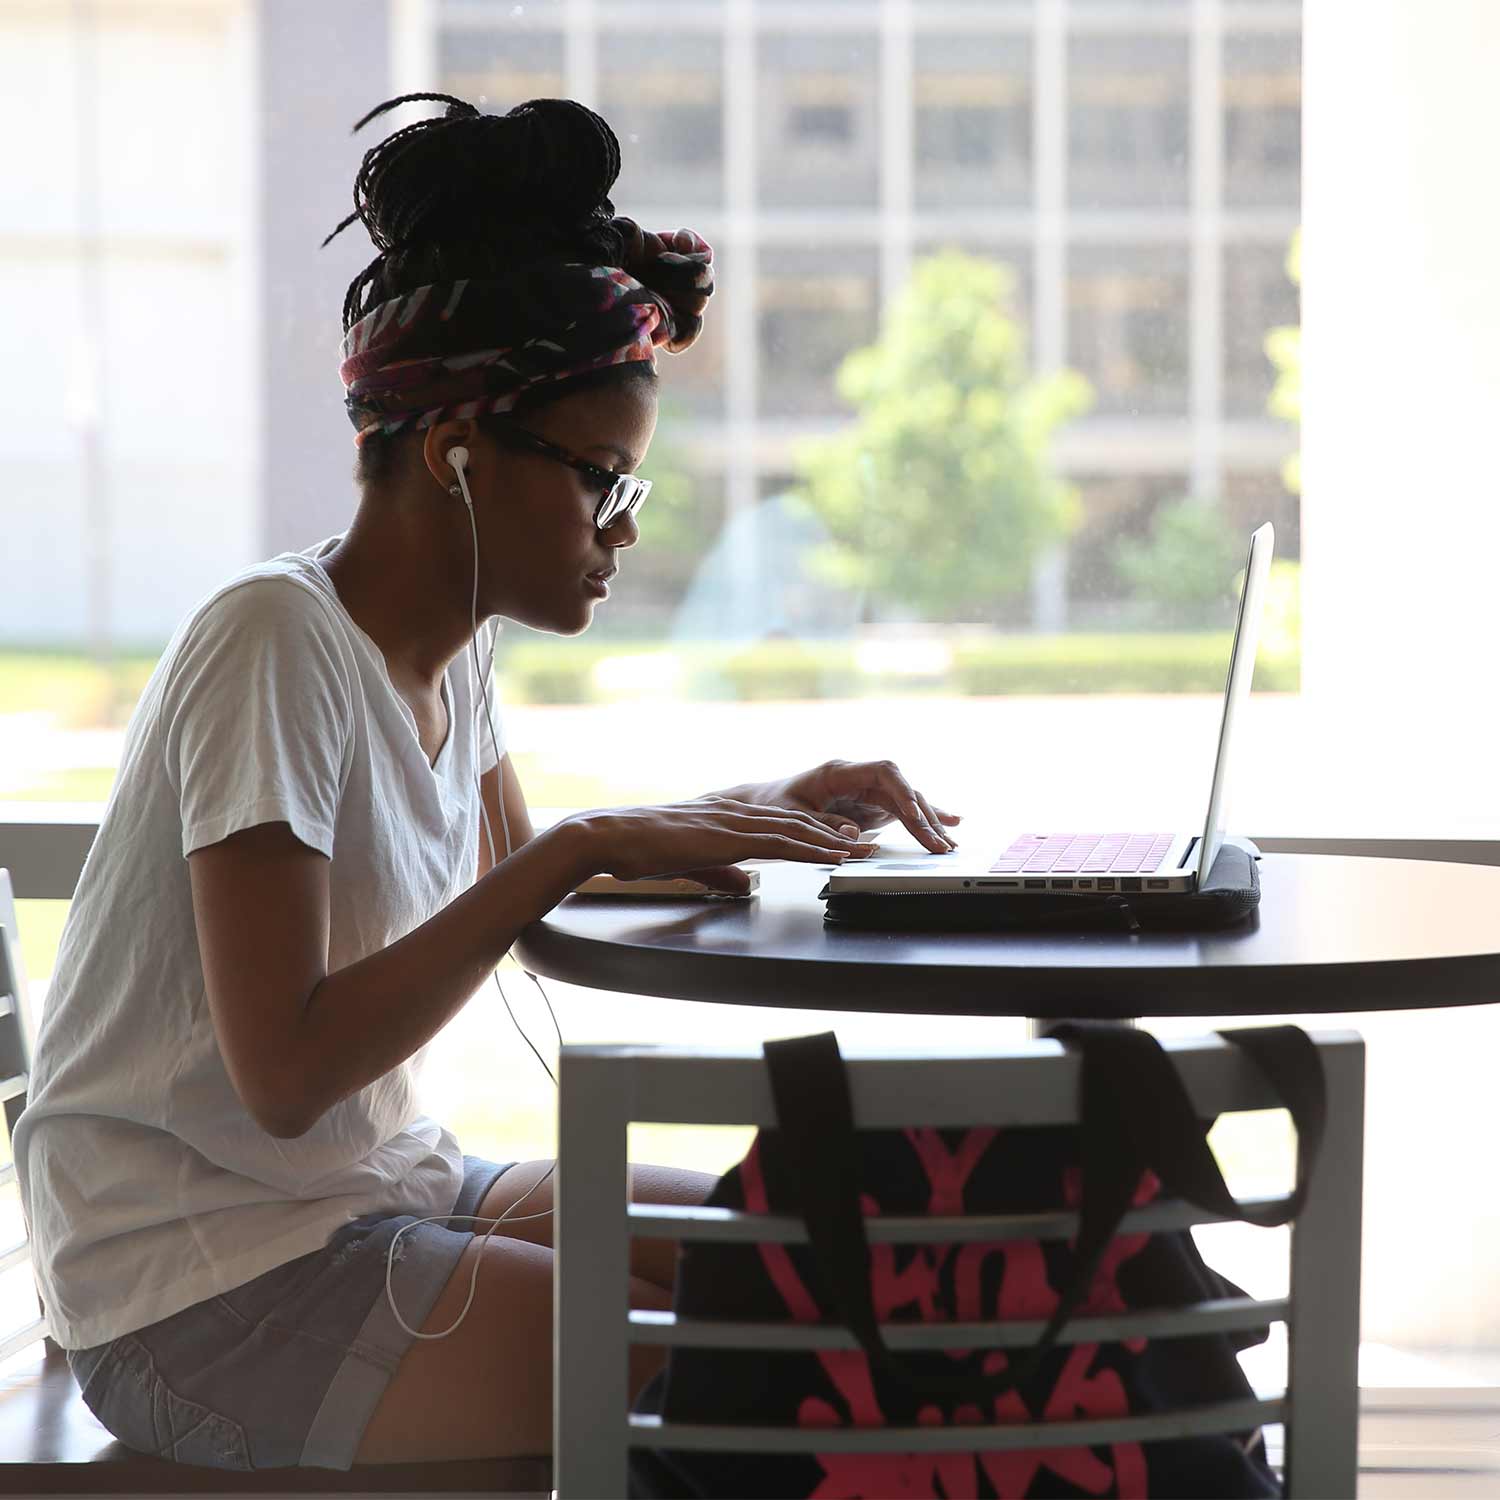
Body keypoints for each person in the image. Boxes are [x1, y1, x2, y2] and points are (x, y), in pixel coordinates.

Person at [13, 93, 960, 1473]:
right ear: (457, 450)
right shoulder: (273, 642)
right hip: (199, 1284)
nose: (620, 533)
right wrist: (579, 846)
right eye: (601, 481)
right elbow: (287, 1072)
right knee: (769, 1374)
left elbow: (518, 872)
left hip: (379, 1190)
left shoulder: (455, 649)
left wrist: (766, 808)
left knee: (800, 1266)